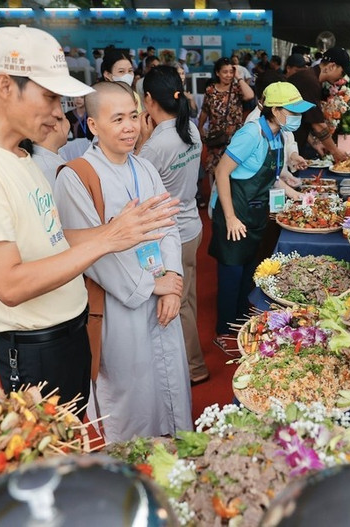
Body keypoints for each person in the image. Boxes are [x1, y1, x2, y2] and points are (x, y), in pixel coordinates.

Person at [0, 26, 178, 412]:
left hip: (67, 333)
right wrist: (107, 240)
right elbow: (10, 283)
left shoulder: (20, 157)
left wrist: (114, 231)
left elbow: (50, 237)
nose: (55, 112)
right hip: (35, 348)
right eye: (48, 96)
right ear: (5, 85)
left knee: (74, 442)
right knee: (52, 456)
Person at [55, 81, 192, 441]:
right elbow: (91, 254)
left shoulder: (144, 168)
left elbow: (169, 225)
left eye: (133, 116)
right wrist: (151, 285)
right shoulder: (77, 176)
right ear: (93, 125)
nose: (130, 127)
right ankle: (135, 475)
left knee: (171, 389)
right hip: (121, 306)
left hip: (163, 295)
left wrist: (173, 281)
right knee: (132, 396)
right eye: (117, 119)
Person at [209, 82, 314, 351]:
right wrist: (231, 218)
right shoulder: (252, 134)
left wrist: (297, 196)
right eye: (292, 111)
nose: (296, 117)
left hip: (255, 213)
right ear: (275, 110)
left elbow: (273, 178)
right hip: (236, 210)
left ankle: (242, 325)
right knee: (231, 275)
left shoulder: (277, 136)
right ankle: (224, 332)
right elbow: (221, 172)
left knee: (247, 274)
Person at [135, 66, 209, 385]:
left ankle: (193, 367)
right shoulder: (191, 130)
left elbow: (137, 186)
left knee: (175, 305)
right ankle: (189, 364)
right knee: (186, 300)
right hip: (191, 226)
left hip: (168, 238)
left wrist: (142, 140)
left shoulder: (154, 147)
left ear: (148, 100)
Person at [287, 47, 350, 161]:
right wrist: (335, 151)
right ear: (331, 66)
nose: (342, 77)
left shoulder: (309, 77)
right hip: (286, 145)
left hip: (292, 142)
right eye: (342, 72)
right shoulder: (310, 81)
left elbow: (302, 117)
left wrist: (314, 143)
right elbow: (317, 125)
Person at [198, 57, 254, 187]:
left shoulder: (236, 88)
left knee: (234, 169)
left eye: (231, 72)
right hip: (216, 136)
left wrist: (239, 78)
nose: (228, 75)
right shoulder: (210, 90)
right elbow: (205, 110)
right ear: (217, 73)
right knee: (215, 170)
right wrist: (200, 127)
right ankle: (216, 198)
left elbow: (250, 95)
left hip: (235, 138)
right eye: (225, 72)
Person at [30, 115, 69, 187]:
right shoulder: (50, 169)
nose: (68, 123)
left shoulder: (38, 160)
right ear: (55, 125)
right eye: (65, 117)